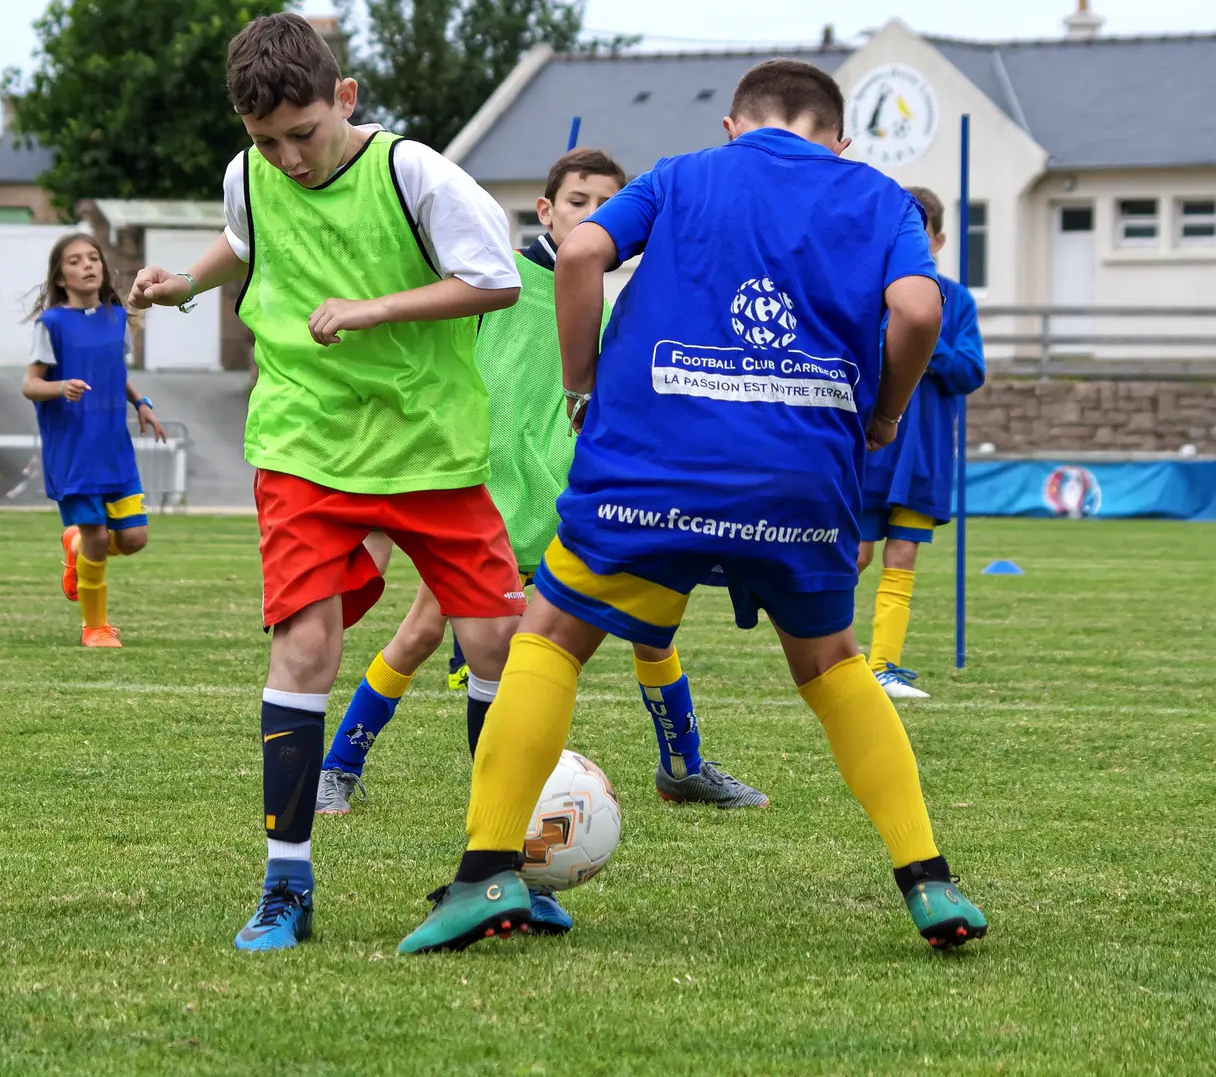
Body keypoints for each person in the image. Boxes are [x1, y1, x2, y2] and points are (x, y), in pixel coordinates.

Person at [399, 58, 988, 955]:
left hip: (654, 462)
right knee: (834, 665)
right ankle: (929, 879)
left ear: (732, 126)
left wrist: (580, 381)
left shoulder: (682, 175)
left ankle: (485, 871)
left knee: (549, 639)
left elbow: (582, 254)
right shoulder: (878, 197)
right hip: (802, 475)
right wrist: (885, 415)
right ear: (839, 141)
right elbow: (916, 310)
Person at [129, 12, 525, 953]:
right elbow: (244, 240)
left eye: (303, 134)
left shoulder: (415, 174)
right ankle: (285, 887)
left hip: (429, 449)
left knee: (496, 644)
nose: (289, 159)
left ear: (344, 98)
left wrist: (374, 309)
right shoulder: (249, 175)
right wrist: (185, 283)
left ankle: (497, 868)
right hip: (304, 445)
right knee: (304, 650)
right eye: (266, 140)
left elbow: (496, 280)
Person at [316, 150, 768, 846]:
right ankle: (339, 767)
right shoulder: (499, 283)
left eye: (608, 204)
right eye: (579, 201)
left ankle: (683, 766)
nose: (593, 215)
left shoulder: (616, 307)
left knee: (653, 627)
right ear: (546, 210)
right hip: (490, 501)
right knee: (422, 632)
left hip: (578, 501)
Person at [857, 187, 986, 700]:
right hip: (869, 450)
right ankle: (835, 659)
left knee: (903, 553)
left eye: (920, 233)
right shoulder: (865, 291)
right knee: (855, 555)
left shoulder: (957, 301)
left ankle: (883, 666)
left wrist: (925, 342)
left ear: (938, 241)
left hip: (923, 454)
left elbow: (970, 371)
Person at [22, 233, 167, 649]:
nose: (87, 265)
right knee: (99, 539)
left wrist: (141, 402)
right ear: (60, 277)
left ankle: (76, 544)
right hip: (73, 452)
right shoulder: (51, 325)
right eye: (75, 261)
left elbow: (113, 372)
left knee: (134, 539)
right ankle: (95, 627)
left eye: (93, 258)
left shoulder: (117, 319)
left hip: (113, 449)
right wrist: (59, 386)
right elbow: (30, 385)